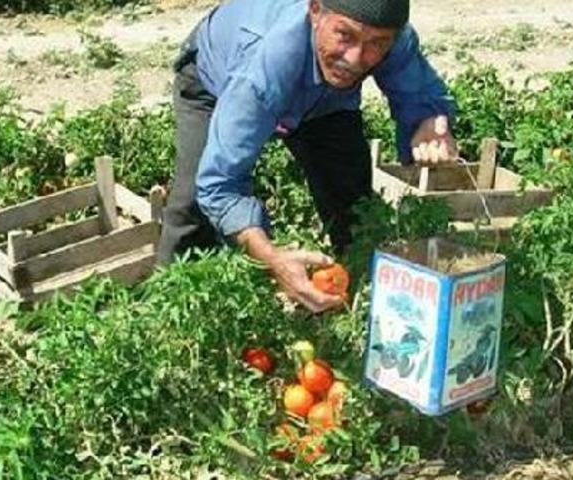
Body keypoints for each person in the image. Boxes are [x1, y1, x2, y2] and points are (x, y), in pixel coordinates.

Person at [157, 0, 458, 312]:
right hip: (215, 80)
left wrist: (427, 122)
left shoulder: (388, 34)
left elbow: (420, 92)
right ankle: (168, 311)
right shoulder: (264, 66)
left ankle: (353, 301)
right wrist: (272, 258)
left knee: (351, 203)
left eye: (376, 44)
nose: (355, 58)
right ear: (315, 11)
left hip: (325, 99)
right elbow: (219, 184)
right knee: (193, 204)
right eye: (344, 35)